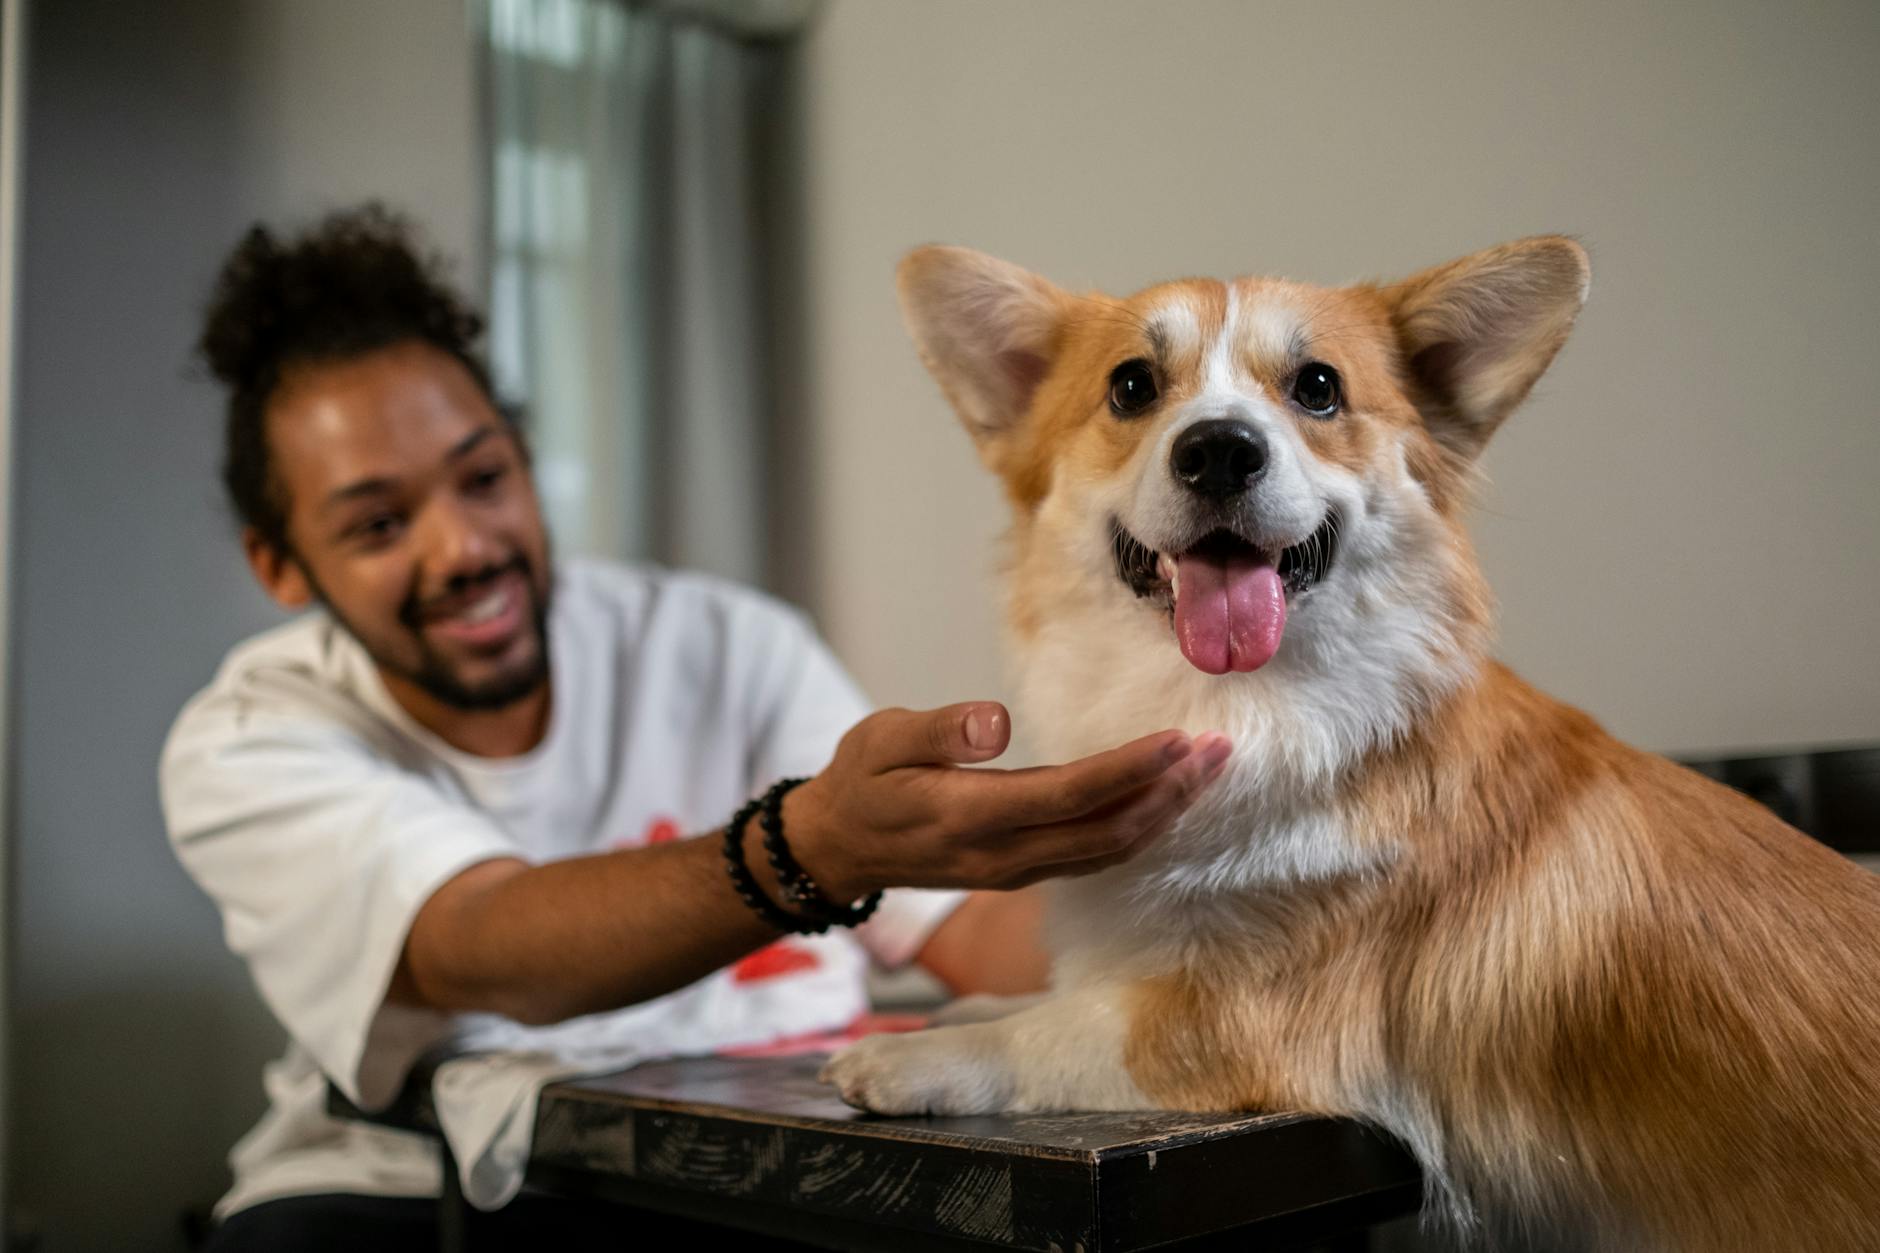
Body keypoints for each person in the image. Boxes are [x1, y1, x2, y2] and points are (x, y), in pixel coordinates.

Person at [160, 204, 1232, 1250]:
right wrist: (809, 847)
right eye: (379, 523)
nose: (462, 547)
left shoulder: (724, 641)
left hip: (763, 1172)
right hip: (405, 1188)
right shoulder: (252, 737)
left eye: (484, 478)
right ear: (279, 564)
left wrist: (1214, 893)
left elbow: (961, 923)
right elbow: (477, 946)